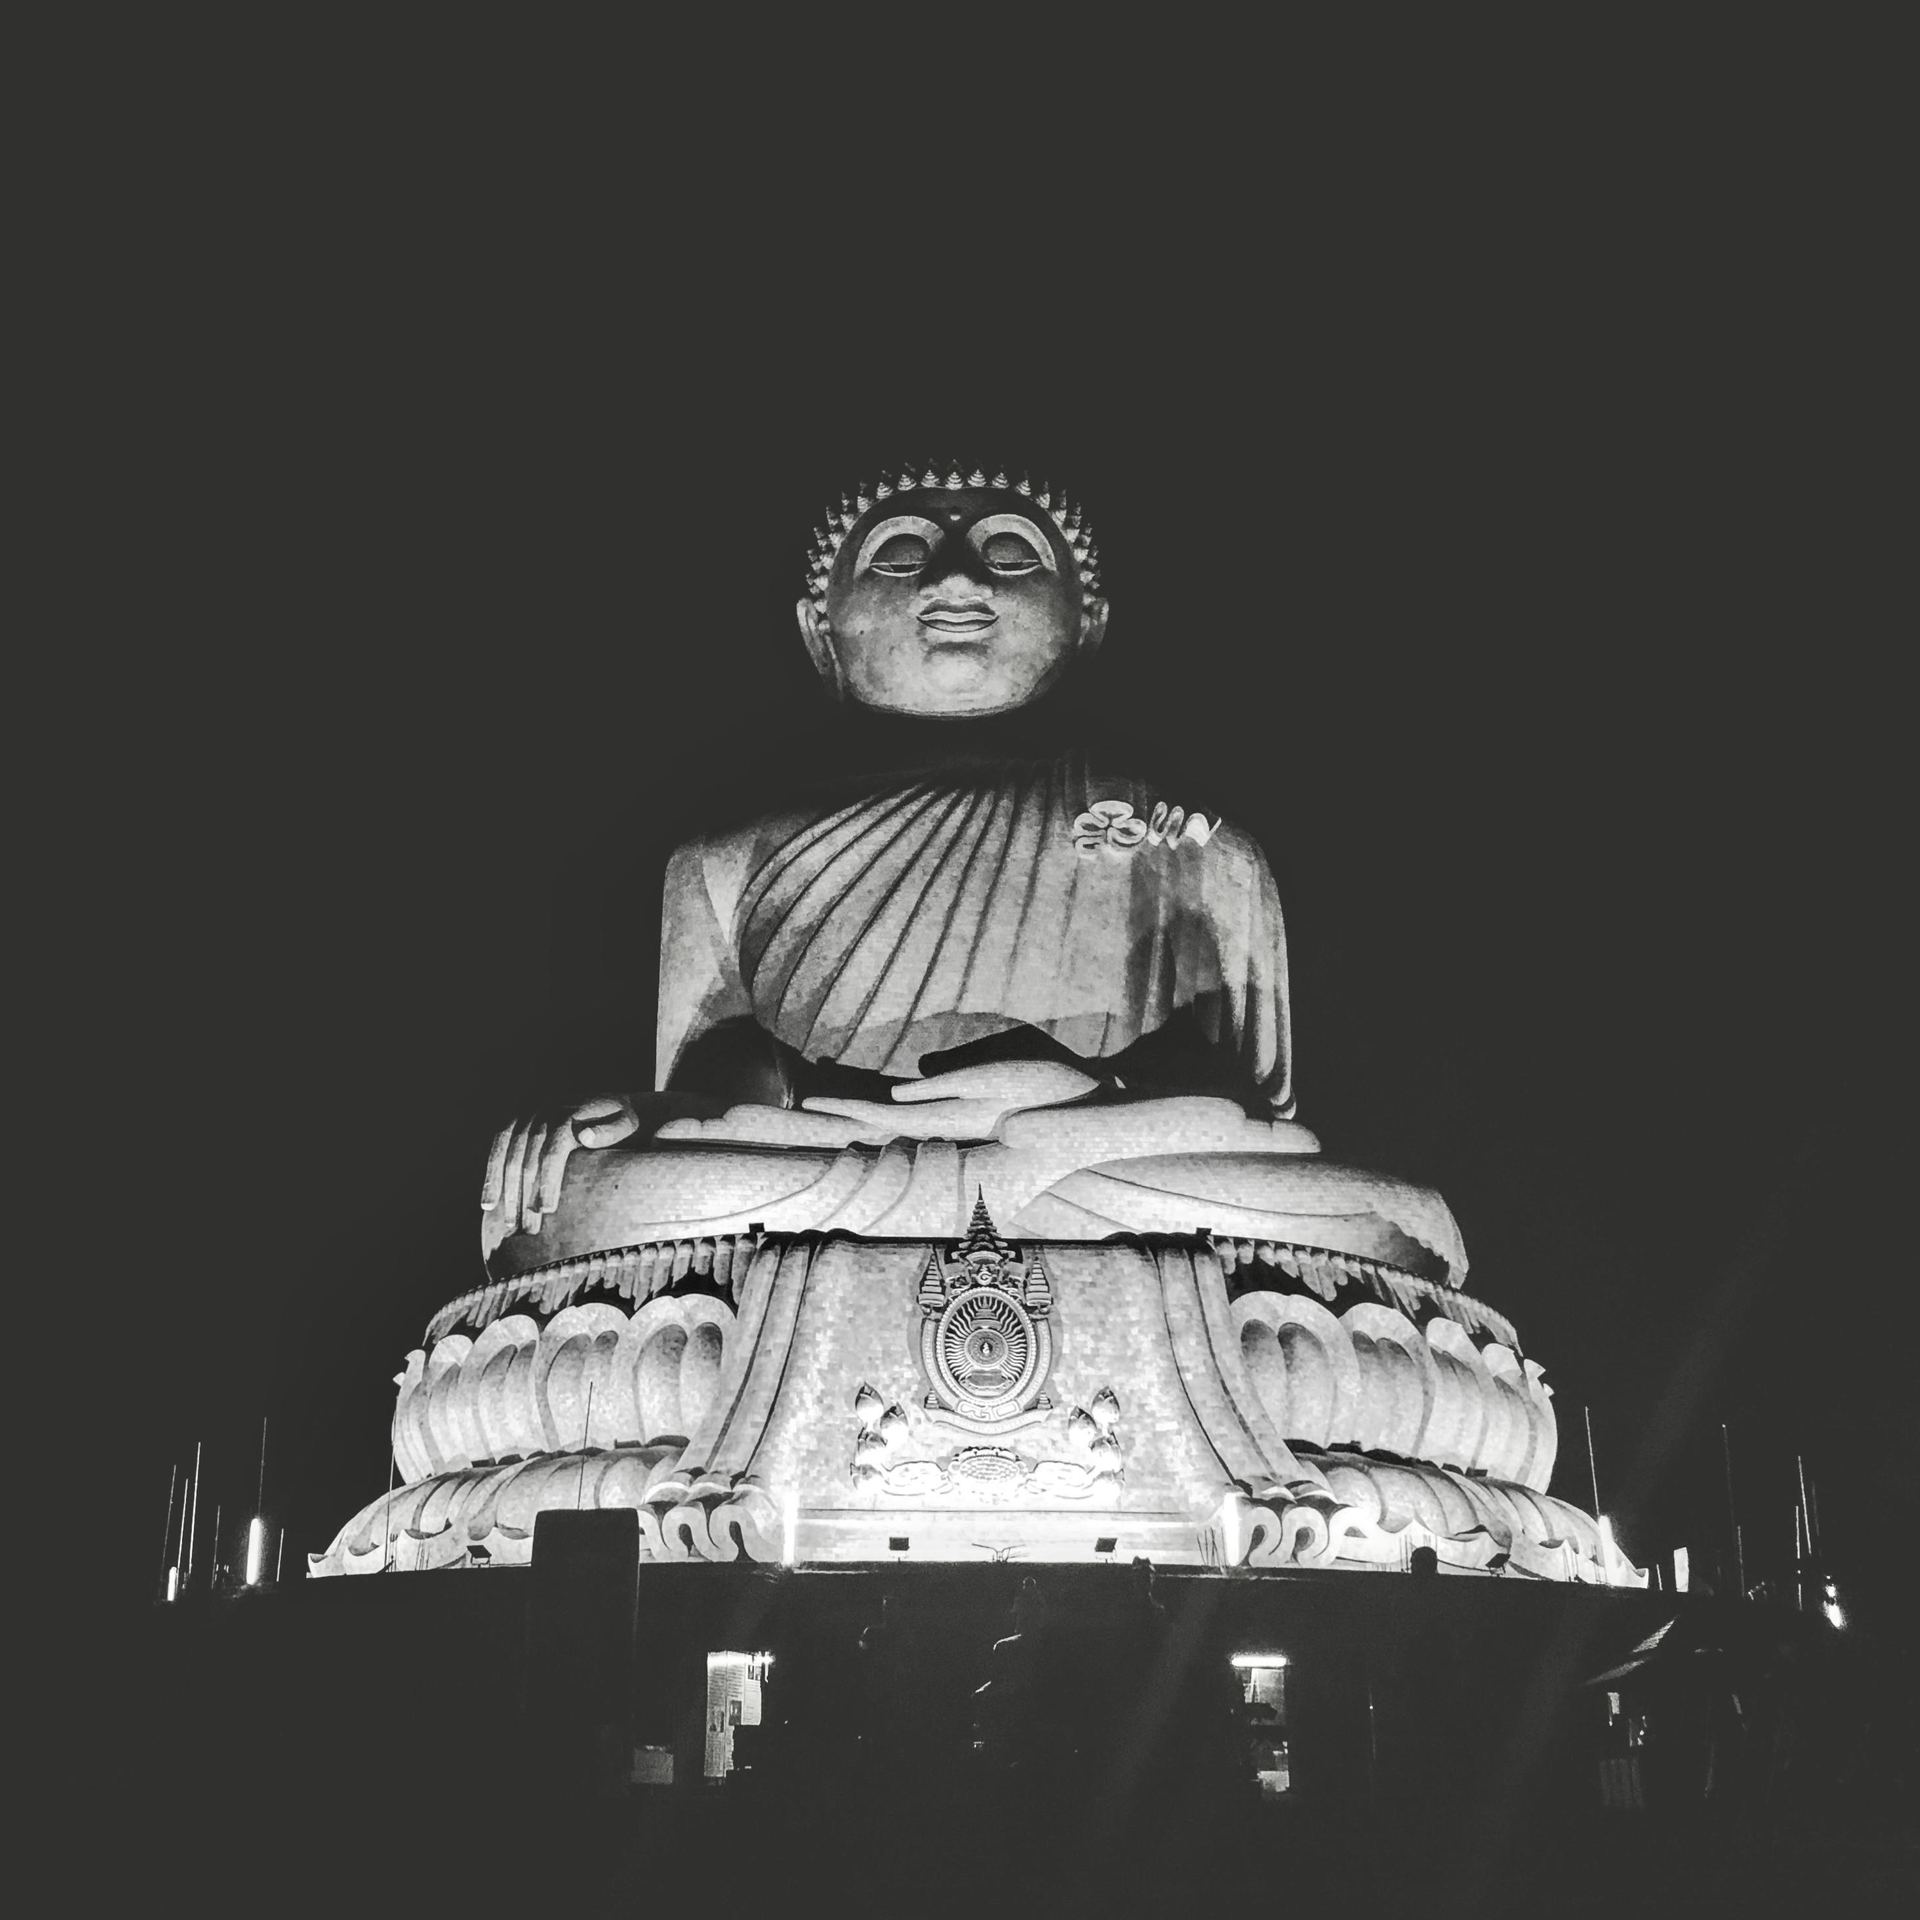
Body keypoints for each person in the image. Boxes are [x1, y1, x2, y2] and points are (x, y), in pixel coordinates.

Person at [478, 466, 1466, 1288]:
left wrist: (1069, 1109)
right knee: (586, 1200)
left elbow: (1240, 1114)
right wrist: (627, 1125)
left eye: (1007, 552)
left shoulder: (1190, 842)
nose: (955, 581)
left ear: (1090, 619)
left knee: (1380, 1217)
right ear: (819, 626)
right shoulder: (723, 858)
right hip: (842, 1163)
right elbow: (718, 1095)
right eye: (903, 553)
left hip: (1093, 1161)